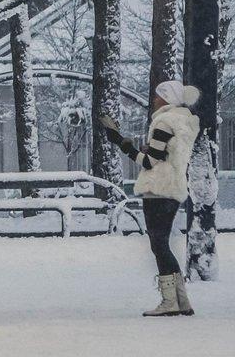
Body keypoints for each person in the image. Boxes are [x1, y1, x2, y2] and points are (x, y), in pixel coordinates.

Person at [98, 80, 200, 317]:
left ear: (167, 98)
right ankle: (181, 300)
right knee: (163, 243)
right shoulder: (183, 122)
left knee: (158, 244)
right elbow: (164, 155)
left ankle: (169, 302)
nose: (154, 100)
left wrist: (121, 143)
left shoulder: (164, 122)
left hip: (157, 188)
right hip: (174, 187)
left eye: (158, 96)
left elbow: (148, 162)